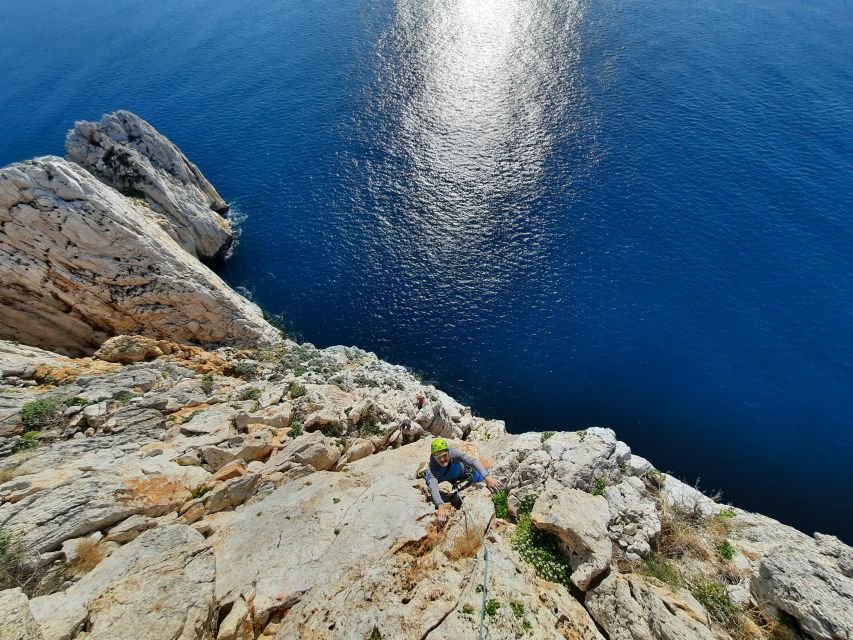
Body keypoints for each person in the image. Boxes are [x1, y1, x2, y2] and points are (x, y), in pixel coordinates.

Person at [422, 437, 502, 524]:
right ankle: (424, 473)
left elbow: (472, 462)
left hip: (461, 473)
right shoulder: (432, 468)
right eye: (439, 457)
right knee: (428, 480)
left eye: (444, 455)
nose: (442, 459)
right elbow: (433, 486)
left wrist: (487, 477)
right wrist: (440, 506)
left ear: (448, 452)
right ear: (434, 457)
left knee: (481, 477)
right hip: (443, 476)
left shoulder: (454, 453)